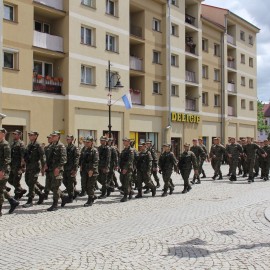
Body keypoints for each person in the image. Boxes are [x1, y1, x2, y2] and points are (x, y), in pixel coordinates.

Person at [45, 131, 67, 211]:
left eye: (54, 136)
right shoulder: (51, 146)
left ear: (58, 136)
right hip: (50, 169)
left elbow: (64, 159)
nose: (53, 137)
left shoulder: (61, 146)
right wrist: (46, 165)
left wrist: (58, 168)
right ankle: (63, 197)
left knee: (55, 187)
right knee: (50, 186)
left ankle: (55, 204)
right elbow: (48, 157)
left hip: (57, 169)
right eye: (52, 136)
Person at [23, 131, 46, 208]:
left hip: (35, 166)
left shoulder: (38, 145)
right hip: (29, 166)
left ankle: (30, 200)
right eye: (29, 135)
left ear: (36, 136)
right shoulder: (29, 144)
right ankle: (41, 194)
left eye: (31, 135)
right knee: (27, 181)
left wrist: (43, 168)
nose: (30, 136)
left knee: (32, 183)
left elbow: (42, 156)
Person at [0, 128, 19, 216]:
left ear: (4, 134)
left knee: (0, 190)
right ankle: (12, 201)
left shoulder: (5, 144)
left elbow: (7, 159)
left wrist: (2, 171)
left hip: (3, 171)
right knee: (1, 189)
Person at [81, 136, 99, 207]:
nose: (86, 143)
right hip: (85, 170)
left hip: (92, 171)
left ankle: (90, 199)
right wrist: (81, 166)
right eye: (85, 142)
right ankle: (93, 196)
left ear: (91, 142)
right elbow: (83, 159)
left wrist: (92, 170)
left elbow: (96, 161)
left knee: (90, 186)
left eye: (88, 142)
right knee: (84, 185)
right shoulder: (85, 150)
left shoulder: (94, 150)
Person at [8, 130, 27, 200]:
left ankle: (17, 195)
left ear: (19, 135)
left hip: (18, 166)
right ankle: (21, 190)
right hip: (12, 165)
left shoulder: (21, 144)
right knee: (10, 180)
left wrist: (23, 167)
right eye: (13, 134)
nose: (14, 135)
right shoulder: (13, 143)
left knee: (16, 180)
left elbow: (23, 156)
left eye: (15, 134)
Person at [62, 135, 80, 206]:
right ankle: (74, 192)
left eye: (69, 139)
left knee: (70, 183)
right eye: (67, 139)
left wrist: (75, 168)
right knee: (64, 181)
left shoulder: (75, 148)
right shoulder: (66, 147)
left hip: (71, 167)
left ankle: (70, 197)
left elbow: (76, 158)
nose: (67, 140)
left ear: (72, 139)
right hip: (65, 167)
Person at [118, 137, 134, 202]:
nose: (124, 142)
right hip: (122, 168)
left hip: (128, 169)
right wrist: (119, 166)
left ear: (128, 142)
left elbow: (130, 160)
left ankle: (125, 196)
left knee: (126, 182)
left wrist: (125, 168)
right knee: (123, 180)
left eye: (125, 141)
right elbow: (120, 159)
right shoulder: (124, 150)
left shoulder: (131, 150)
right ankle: (130, 192)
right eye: (123, 141)